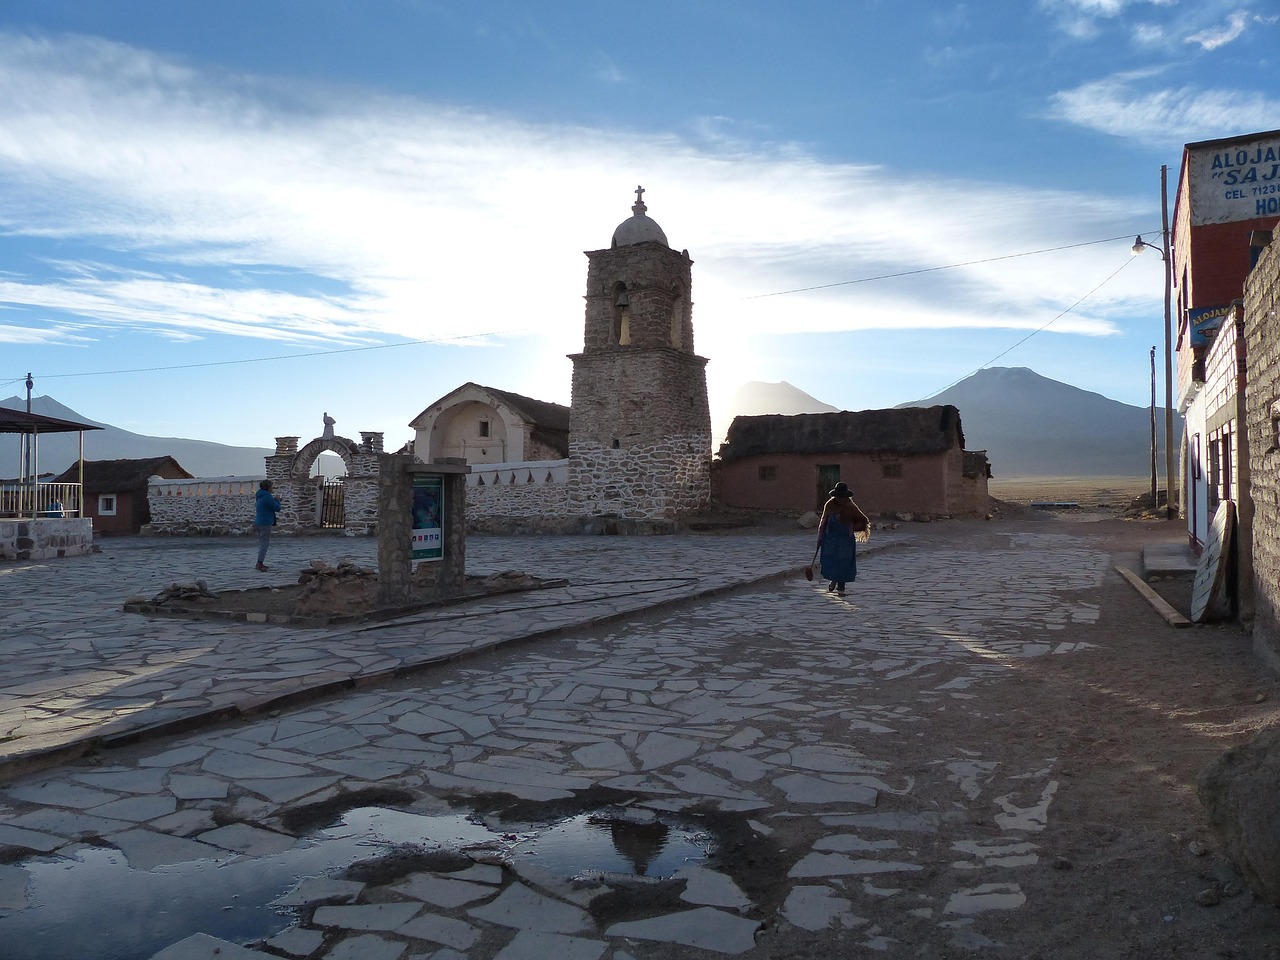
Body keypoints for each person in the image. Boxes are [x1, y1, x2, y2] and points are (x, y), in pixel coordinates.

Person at [815, 481, 869, 597]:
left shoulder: (850, 506)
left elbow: (863, 520)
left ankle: (841, 586)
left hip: (845, 540)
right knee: (832, 560)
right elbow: (823, 522)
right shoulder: (829, 505)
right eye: (838, 497)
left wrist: (852, 528)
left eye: (842, 497)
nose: (840, 499)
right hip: (831, 539)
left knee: (843, 562)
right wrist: (820, 537)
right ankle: (833, 579)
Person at [253, 479, 282, 571]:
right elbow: (277, 508)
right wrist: (278, 501)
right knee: (264, 544)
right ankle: (260, 563)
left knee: (262, 542)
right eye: (271, 486)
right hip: (266, 522)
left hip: (259, 521)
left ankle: (260, 562)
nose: (272, 488)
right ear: (268, 487)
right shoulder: (267, 496)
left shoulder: (260, 496)